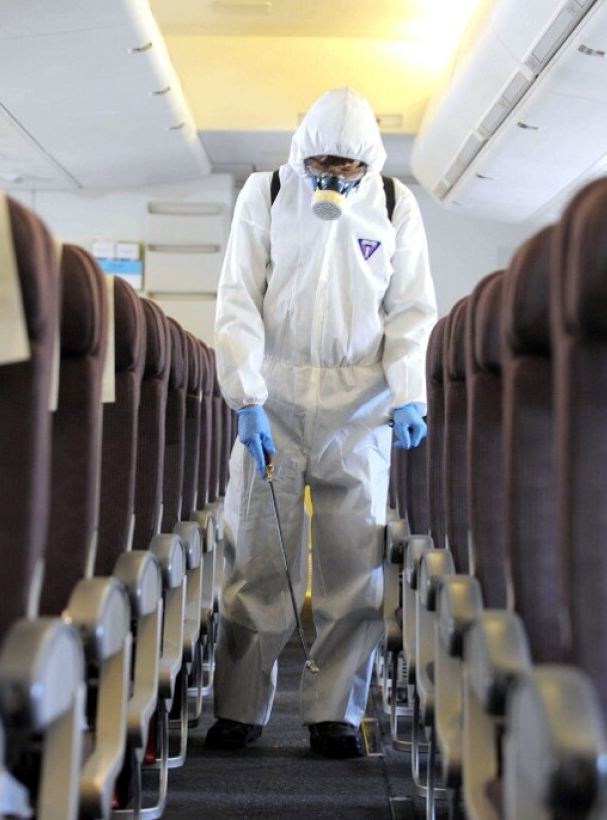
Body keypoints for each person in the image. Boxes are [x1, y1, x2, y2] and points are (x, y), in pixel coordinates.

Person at [207, 87, 437, 759]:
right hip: (273, 397)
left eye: (346, 169)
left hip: (357, 403)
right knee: (258, 557)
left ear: (368, 165)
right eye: (323, 166)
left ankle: (335, 712)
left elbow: (411, 310)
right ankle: (240, 707)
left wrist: (407, 395)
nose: (332, 180)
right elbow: (238, 298)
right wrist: (246, 397)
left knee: (353, 566)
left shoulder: (395, 205)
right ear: (303, 154)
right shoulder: (268, 193)